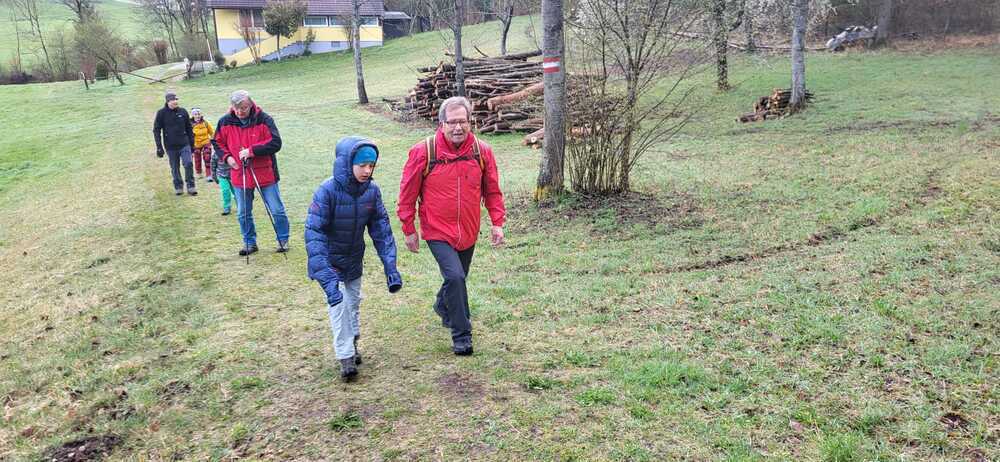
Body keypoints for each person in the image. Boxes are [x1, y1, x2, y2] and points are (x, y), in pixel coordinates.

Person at [397, 96, 506, 356]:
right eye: (452, 122)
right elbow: (407, 193)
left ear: (470, 122)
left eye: (463, 121)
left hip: (468, 229)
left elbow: (492, 191)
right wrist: (409, 228)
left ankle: (442, 305)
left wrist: (497, 223)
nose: (458, 127)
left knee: (457, 278)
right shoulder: (424, 152)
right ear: (442, 124)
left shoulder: (482, 151)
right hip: (437, 230)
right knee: (456, 277)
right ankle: (462, 335)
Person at [305, 137, 403, 381]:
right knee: (339, 306)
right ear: (347, 164)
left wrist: (390, 267)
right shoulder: (326, 191)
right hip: (330, 263)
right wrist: (325, 276)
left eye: (371, 166)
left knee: (353, 303)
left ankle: (353, 342)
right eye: (362, 166)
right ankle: (345, 356)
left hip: (354, 259)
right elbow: (314, 234)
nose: (367, 171)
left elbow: (382, 230)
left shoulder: (372, 191)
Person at [214, 90, 290, 255]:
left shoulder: (264, 119)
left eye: (243, 108)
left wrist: (252, 151)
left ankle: (283, 239)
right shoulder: (224, 122)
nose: (240, 112)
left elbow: (276, 143)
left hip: (265, 173)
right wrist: (227, 158)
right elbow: (217, 142)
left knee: (277, 210)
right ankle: (249, 243)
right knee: (243, 213)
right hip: (239, 173)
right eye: (236, 108)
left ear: (250, 104)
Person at [153, 91, 197, 196]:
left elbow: (189, 128)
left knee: (188, 163)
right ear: (168, 101)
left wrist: (192, 144)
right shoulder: (161, 113)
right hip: (170, 146)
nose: (175, 102)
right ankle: (178, 186)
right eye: (173, 100)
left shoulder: (183, 112)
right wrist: (159, 147)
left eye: (176, 99)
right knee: (175, 167)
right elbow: (156, 130)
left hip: (184, 143)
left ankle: (191, 186)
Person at [210, 132, 234, 216]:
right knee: (225, 191)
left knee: (236, 192)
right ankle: (227, 207)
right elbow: (213, 166)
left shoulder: (232, 151)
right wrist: (214, 176)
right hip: (222, 176)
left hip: (233, 176)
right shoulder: (216, 155)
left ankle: (241, 206)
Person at [190, 108, 215, 182]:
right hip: (196, 144)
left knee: (207, 157)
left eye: (199, 114)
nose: (197, 116)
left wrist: (213, 140)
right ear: (193, 115)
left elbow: (211, 132)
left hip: (206, 143)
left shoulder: (205, 123)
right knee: (197, 158)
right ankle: (199, 173)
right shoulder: (190, 124)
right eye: (195, 114)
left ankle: (209, 174)